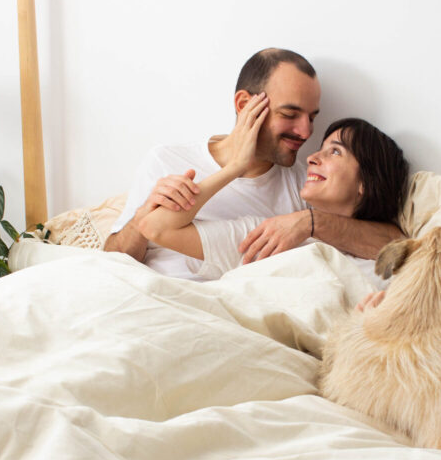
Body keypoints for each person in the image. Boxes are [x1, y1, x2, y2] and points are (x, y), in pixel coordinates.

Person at [104, 48, 403, 280]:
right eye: (290, 114)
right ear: (245, 105)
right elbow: (111, 258)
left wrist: (310, 222)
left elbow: (397, 244)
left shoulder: (308, 187)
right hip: (148, 294)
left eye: (312, 117)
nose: (306, 132)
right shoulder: (168, 160)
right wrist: (141, 217)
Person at [137, 113, 409, 288]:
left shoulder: (396, 264)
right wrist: (234, 168)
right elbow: (156, 227)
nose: (312, 157)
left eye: (335, 152)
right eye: (320, 149)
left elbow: (404, 247)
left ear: (366, 181)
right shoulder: (276, 236)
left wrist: (312, 221)